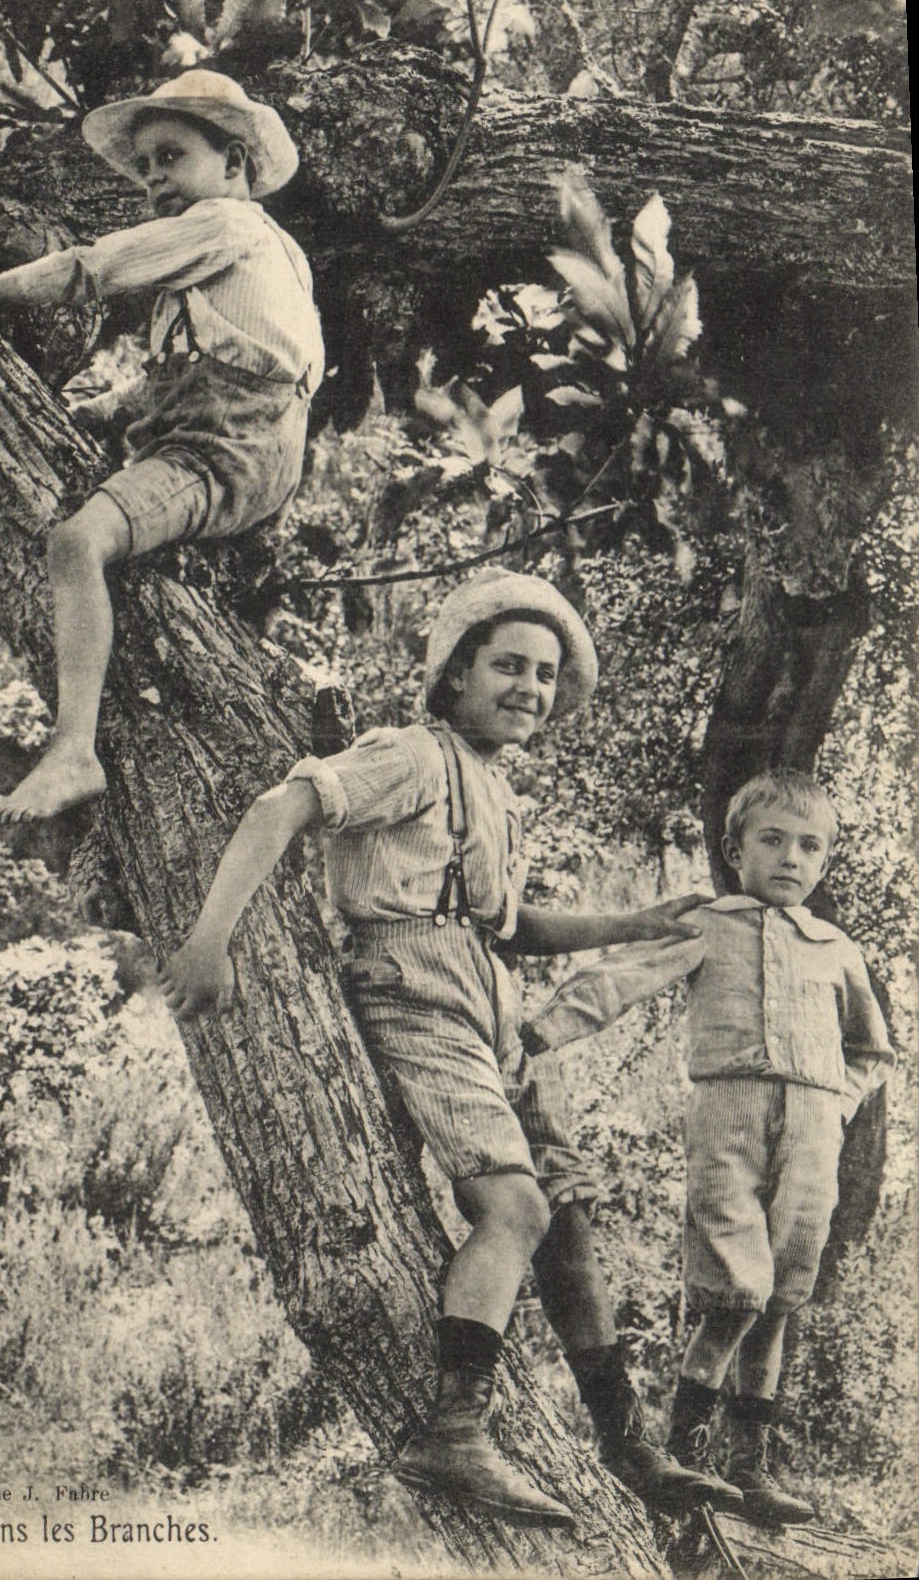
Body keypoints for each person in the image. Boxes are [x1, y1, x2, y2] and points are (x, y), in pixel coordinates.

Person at [159, 565, 730, 1522]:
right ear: (455, 674)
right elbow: (283, 807)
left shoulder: (495, 790)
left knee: (566, 1209)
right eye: (509, 665)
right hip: (412, 989)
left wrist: (636, 920)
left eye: (546, 676)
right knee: (512, 1207)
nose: (530, 690)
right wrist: (209, 938)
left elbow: (507, 925)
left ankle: (628, 1443)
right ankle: (454, 1431)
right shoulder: (412, 754)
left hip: (489, 1003)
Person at [0, 70, 324, 823]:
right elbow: (196, 370)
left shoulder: (227, 223)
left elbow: (90, 267)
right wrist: (103, 409)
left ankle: (73, 751)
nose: (156, 176)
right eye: (147, 167)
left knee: (76, 543)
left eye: (172, 155)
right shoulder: (259, 258)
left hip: (227, 451)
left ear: (234, 165)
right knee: (116, 539)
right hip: (245, 447)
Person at [531, 769, 894, 1524]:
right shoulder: (709, 924)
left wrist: (839, 1100)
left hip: (815, 1127)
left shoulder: (837, 949)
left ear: (825, 861)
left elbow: (874, 1050)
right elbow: (621, 978)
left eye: (809, 846)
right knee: (736, 1289)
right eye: (773, 841)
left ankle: (748, 1469)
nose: (791, 858)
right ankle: (681, 1459)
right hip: (728, 1115)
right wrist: (541, 1034)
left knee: (782, 1297)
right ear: (734, 850)